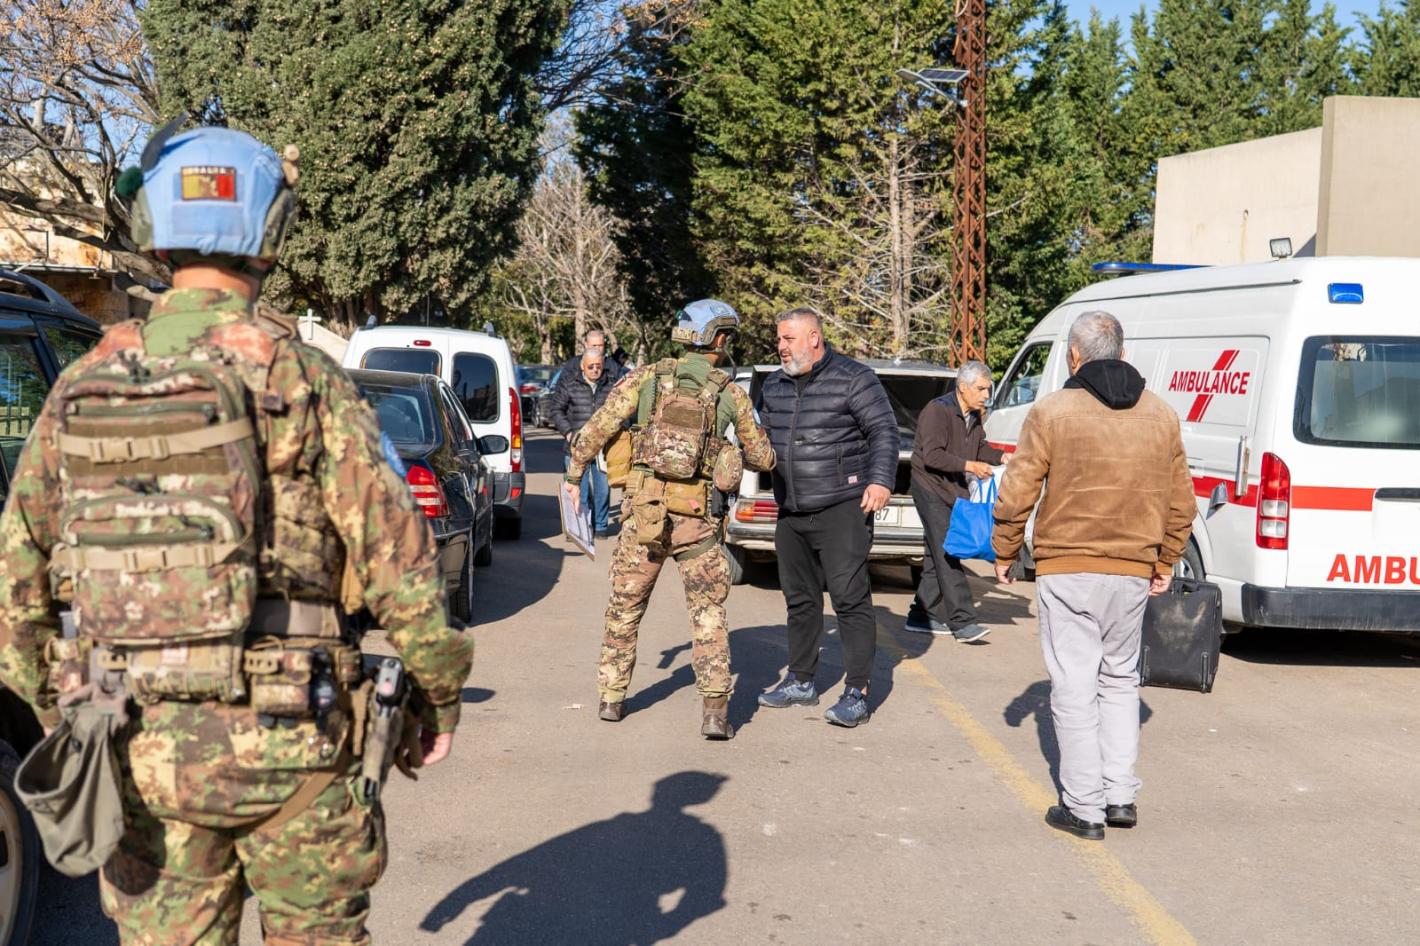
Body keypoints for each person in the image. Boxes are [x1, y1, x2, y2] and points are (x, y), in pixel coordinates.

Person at [0, 125, 474, 943]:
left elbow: (17, 582)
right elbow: (402, 564)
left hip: (136, 742)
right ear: (272, 234)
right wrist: (437, 699)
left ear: (154, 230)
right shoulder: (304, 379)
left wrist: (56, 714)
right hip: (297, 734)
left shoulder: (84, 383)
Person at [991, 310, 1193, 841]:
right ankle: (1120, 794)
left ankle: (1083, 807)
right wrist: (1165, 559)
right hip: (1132, 570)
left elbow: (1018, 488)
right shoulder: (1163, 415)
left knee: (1075, 685)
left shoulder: (1053, 410)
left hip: (1068, 566)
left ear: (1074, 357)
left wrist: (1005, 549)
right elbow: (1182, 502)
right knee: (1120, 680)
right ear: (1122, 354)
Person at [563, 299, 774, 740]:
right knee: (708, 615)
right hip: (696, 522)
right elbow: (761, 456)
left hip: (643, 518)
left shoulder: (644, 379)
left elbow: (596, 429)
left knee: (624, 609)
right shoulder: (729, 392)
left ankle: (612, 699)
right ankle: (715, 713)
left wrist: (573, 474)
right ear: (716, 338)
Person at [755, 307, 897, 728]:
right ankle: (801, 680)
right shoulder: (774, 385)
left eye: (788, 339)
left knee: (850, 601)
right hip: (791, 509)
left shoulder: (854, 377)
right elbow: (759, 436)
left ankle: (858, 691)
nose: (781, 347)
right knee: (800, 601)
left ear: (814, 337)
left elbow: (884, 431)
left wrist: (881, 480)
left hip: (842, 507)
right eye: (779, 339)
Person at [905, 360, 1008, 642]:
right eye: (981, 389)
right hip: (930, 488)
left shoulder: (974, 415)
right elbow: (932, 456)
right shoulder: (937, 411)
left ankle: (921, 616)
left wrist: (1002, 457)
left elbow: (980, 447)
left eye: (988, 388)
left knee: (934, 554)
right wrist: (971, 466)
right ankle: (962, 622)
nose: (987, 394)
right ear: (963, 387)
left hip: (953, 491)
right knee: (949, 551)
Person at [548, 350, 616, 536]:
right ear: (582, 366)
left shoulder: (611, 385)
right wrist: (568, 433)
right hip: (575, 448)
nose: (595, 370)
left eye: (599, 366)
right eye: (591, 366)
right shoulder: (569, 384)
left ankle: (600, 526)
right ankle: (580, 527)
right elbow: (556, 409)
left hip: (602, 449)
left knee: (603, 490)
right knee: (579, 491)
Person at [560, 328, 624, 382]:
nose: (597, 348)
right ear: (586, 345)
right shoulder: (573, 364)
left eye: (600, 345)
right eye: (594, 345)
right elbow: (562, 388)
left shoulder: (613, 366)